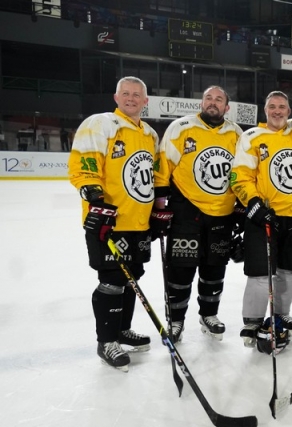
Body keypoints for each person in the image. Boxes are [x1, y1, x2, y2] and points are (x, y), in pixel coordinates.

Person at [68, 76, 168, 372]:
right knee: (111, 281)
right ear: (116, 97)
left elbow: (152, 176)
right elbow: (84, 165)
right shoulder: (99, 124)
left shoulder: (149, 134)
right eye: (126, 93)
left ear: (145, 100)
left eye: (137, 94)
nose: (131, 98)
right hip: (109, 221)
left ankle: (122, 330)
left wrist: (158, 211)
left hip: (138, 221)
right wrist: (93, 196)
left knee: (131, 278)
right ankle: (106, 341)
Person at [158, 85, 243, 342]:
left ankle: (209, 314)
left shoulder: (236, 133)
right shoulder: (182, 127)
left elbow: (243, 171)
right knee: (181, 271)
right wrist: (160, 207)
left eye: (219, 99)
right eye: (208, 98)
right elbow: (163, 167)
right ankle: (176, 321)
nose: (213, 103)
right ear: (201, 103)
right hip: (187, 211)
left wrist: (240, 205)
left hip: (222, 214)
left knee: (214, 268)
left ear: (227, 107)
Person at [230, 91, 292, 349]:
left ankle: (280, 314)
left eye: (282, 107)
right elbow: (239, 176)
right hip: (264, 217)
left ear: (289, 110)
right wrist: (253, 203)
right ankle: (252, 320)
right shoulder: (251, 137)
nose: (278, 111)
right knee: (259, 272)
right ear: (266, 110)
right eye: (273, 106)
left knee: (288, 271)